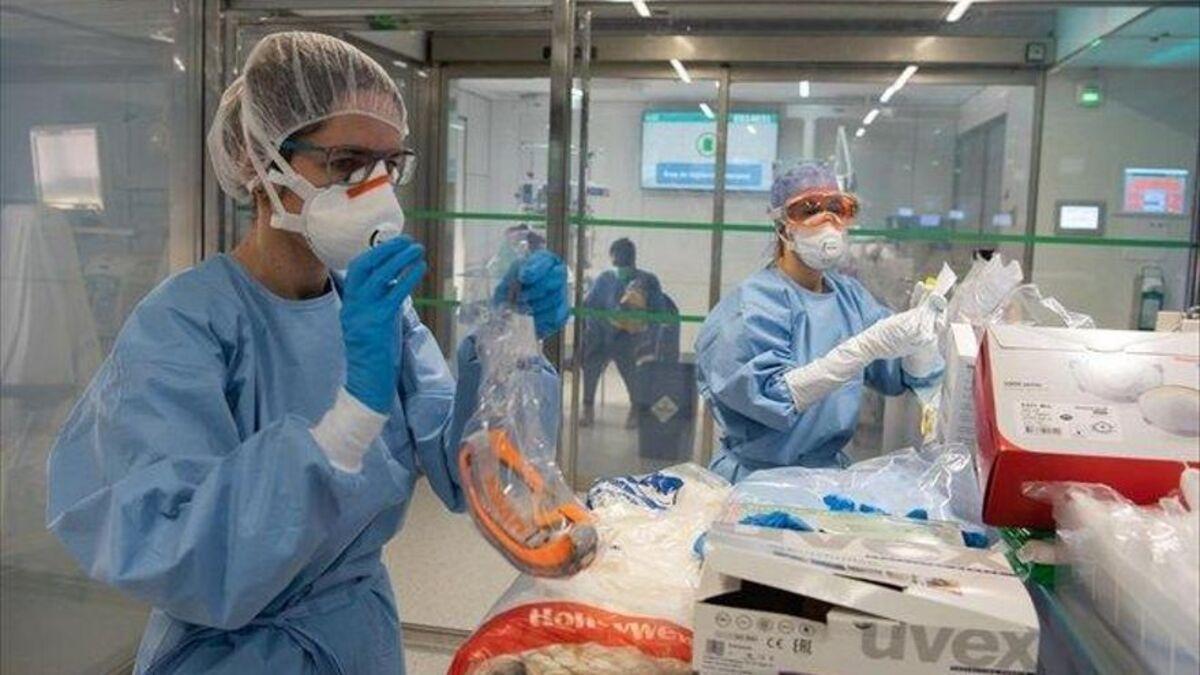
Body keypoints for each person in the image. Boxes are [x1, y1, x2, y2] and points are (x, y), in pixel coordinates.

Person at [44, 32, 569, 675]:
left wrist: (511, 343)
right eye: (346, 163)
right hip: (236, 650)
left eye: (387, 165)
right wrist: (350, 417)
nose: (374, 190)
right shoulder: (184, 325)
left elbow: (467, 472)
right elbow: (181, 551)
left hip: (358, 638)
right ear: (262, 163)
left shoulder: (381, 314)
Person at [696, 162, 944, 483]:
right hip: (759, 479)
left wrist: (921, 339)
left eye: (838, 208)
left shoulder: (850, 297)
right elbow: (770, 397)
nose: (828, 222)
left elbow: (896, 374)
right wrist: (861, 348)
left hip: (827, 478)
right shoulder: (750, 306)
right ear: (784, 226)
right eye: (809, 209)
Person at [579, 238, 671, 428]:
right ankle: (588, 409)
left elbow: (659, 312)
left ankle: (636, 411)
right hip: (601, 337)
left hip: (629, 340)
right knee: (591, 370)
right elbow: (590, 306)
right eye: (616, 259)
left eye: (622, 259)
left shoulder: (647, 280)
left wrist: (642, 326)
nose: (618, 263)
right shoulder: (605, 279)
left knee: (631, 375)